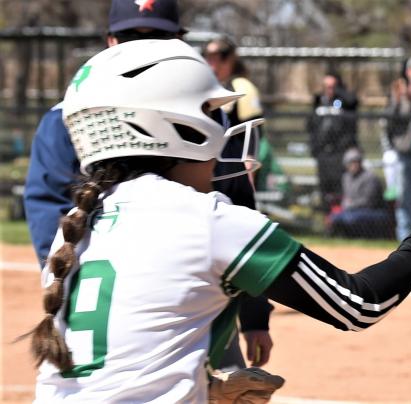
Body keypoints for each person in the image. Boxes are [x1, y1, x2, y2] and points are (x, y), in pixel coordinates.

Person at [28, 39, 411, 402]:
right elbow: (357, 305)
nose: (221, 131)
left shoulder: (78, 223)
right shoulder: (204, 218)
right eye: (208, 115)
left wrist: (201, 390)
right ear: (169, 128)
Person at [22, 0, 273, 372]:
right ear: (110, 41)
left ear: (178, 45)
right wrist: (68, 285)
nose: (143, 48)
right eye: (130, 38)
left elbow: (238, 209)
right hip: (108, 301)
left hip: (196, 301)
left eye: (157, 38)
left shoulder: (209, 111)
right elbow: (49, 208)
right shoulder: (69, 115)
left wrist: (254, 314)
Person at [203, 35, 287, 196]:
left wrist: (248, 173)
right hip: (210, 169)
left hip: (233, 173)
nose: (210, 62)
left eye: (216, 57)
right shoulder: (209, 87)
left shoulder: (242, 87)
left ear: (229, 60)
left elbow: (253, 133)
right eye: (207, 56)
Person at [308, 73, 359, 212]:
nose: (329, 90)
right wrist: (314, 148)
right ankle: (327, 222)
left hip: (339, 153)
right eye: (327, 87)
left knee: (339, 188)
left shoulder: (344, 102)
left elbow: (354, 102)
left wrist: (339, 91)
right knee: (324, 188)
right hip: (323, 153)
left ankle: (339, 220)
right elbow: (311, 126)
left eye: (333, 87)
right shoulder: (319, 102)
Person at [384, 76, 411, 241]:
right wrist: (398, 100)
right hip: (403, 155)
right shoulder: (395, 102)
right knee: (403, 198)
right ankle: (405, 238)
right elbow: (389, 121)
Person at [328, 148, 392, 238]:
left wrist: (349, 205)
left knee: (350, 218)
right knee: (334, 216)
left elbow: (369, 202)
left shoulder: (370, 177)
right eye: (351, 162)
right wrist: (345, 204)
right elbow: (347, 197)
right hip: (352, 210)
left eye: (356, 162)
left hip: (372, 210)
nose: (354, 165)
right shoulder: (346, 178)